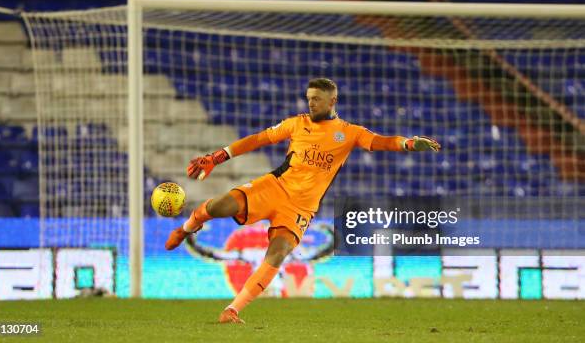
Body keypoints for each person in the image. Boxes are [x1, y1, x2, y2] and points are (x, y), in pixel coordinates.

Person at [165, 78, 440, 324]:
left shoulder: (349, 132)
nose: (311, 103)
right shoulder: (297, 123)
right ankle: (186, 228)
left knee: (278, 252)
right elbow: (259, 139)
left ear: (332, 101)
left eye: (317, 99)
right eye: (309, 98)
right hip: (274, 186)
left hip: (300, 208)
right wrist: (217, 156)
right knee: (218, 207)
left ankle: (232, 310)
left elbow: (381, 141)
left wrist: (408, 143)